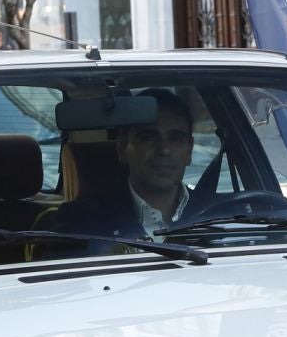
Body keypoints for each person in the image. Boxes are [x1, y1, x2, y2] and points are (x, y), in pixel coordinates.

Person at [55, 89, 195, 240]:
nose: (164, 150)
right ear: (122, 149)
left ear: (189, 150)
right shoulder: (80, 222)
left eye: (176, 139)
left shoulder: (216, 211)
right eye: (148, 138)